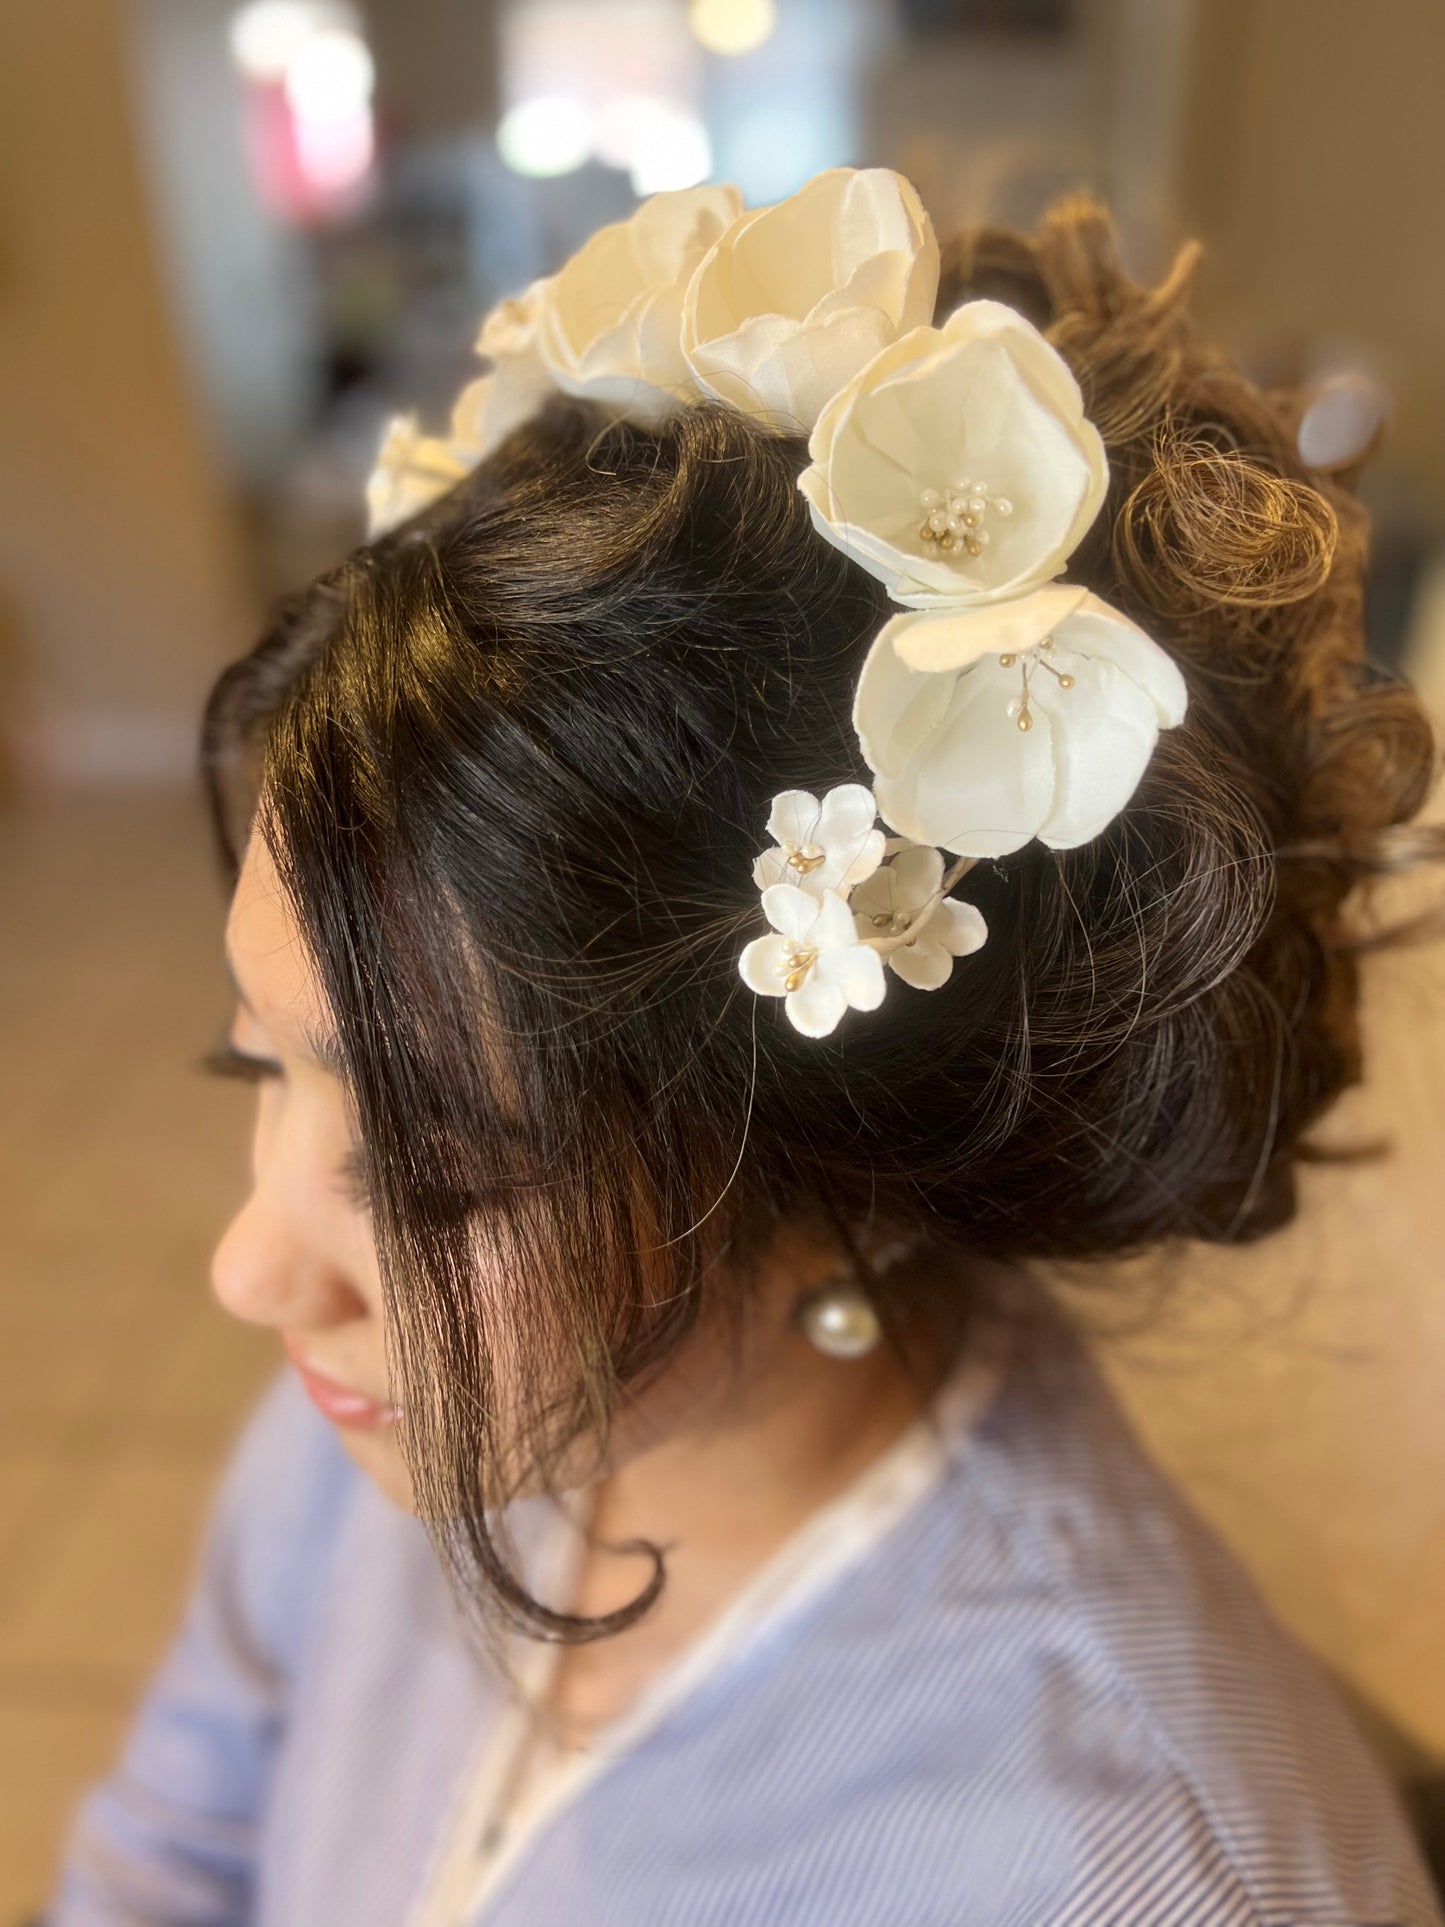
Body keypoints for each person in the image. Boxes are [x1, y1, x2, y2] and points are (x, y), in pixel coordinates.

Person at [50, 170, 1443, 1925]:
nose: (254, 1270)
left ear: (834, 1179)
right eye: (263, 1065)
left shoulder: (1126, 1870)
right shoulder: (383, 1427)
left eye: (444, 1171)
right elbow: (168, 1853)